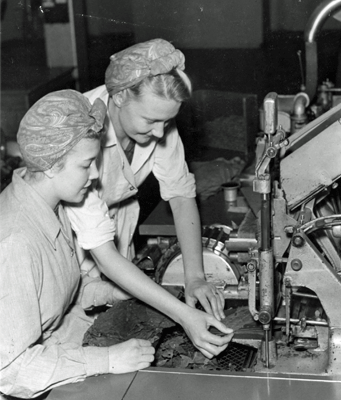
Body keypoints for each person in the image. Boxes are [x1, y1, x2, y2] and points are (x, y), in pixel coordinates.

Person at [65, 39, 233, 355]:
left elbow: (182, 196)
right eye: (151, 121)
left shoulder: (157, 121)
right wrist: (184, 315)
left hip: (117, 231)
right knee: (81, 343)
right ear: (118, 97)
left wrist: (194, 277)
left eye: (167, 122)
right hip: (70, 245)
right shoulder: (81, 134)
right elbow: (102, 252)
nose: (160, 133)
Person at [0, 90, 157, 398]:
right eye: (86, 165)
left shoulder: (49, 206)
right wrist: (108, 359)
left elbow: (55, 291)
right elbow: (10, 368)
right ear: (50, 165)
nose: (95, 174)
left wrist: (110, 292)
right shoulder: (14, 242)